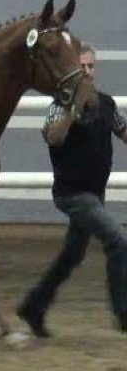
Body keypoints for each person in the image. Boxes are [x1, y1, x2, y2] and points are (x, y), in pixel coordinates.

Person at [17, 44, 127, 337]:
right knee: (118, 241)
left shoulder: (106, 103)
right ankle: (123, 313)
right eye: (83, 67)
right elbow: (53, 138)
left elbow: (124, 130)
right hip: (73, 195)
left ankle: (33, 307)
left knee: (72, 256)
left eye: (91, 66)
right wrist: (70, 107)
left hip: (95, 195)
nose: (88, 72)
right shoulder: (58, 105)